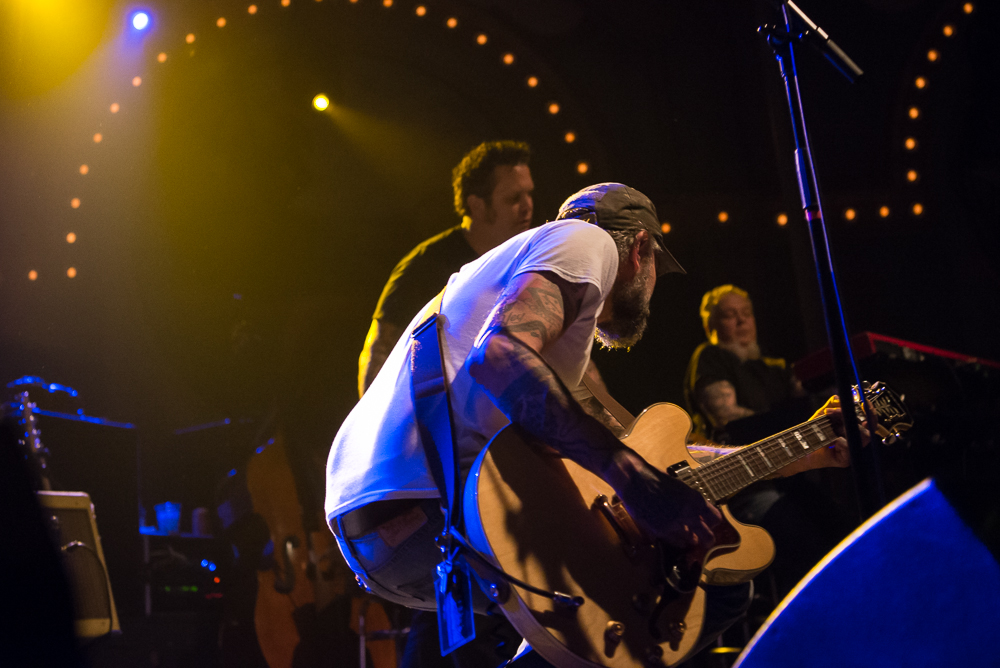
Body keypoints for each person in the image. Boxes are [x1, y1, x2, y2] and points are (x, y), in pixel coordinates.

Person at [327, 184, 855, 667]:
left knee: (618, 614)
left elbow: (659, 464)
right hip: (429, 499)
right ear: (641, 248)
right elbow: (500, 356)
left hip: (394, 535)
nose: (652, 290)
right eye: (656, 270)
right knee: (713, 593)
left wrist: (800, 450)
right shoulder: (586, 242)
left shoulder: (548, 348)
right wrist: (636, 481)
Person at [683, 285, 848, 601]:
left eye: (746, 314)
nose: (742, 321)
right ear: (710, 325)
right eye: (730, 315)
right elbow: (725, 415)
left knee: (841, 529)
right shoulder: (711, 356)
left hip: (791, 478)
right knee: (802, 541)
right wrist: (785, 425)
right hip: (742, 485)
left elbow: (809, 401)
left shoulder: (775, 367)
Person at [358, 140, 535, 397]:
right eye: (514, 198)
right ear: (477, 205)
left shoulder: (526, 260)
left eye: (529, 194)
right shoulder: (424, 267)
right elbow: (378, 355)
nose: (528, 206)